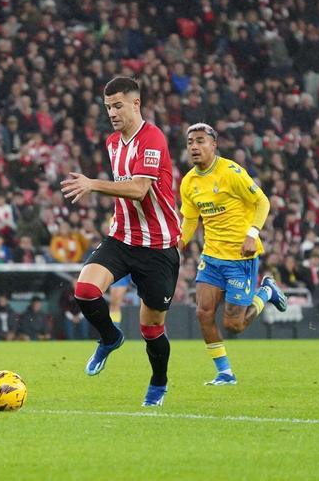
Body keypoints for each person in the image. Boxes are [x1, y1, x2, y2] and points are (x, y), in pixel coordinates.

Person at [60, 77, 181, 406]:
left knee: (151, 328)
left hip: (157, 247)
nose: (112, 112)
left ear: (136, 104)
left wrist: (92, 184)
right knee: (84, 290)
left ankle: (158, 382)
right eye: (108, 107)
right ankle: (110, 338)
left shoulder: (152, 138)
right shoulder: (113, 143)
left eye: (118, 106)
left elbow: (140, 189)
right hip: (122, 238)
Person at [178, 123, 286, 386]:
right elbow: (191, 219)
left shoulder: (231, 172)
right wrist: (177, 244)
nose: (194, 146)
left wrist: (252, 233)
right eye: (191, 141)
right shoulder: (189, 182)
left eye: (201, 141)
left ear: (214, 145)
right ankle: (225, 372)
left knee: (234, 326)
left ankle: (266, 292)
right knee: (203, 313)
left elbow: (262, 202)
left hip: (241, 258)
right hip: (212, 257)